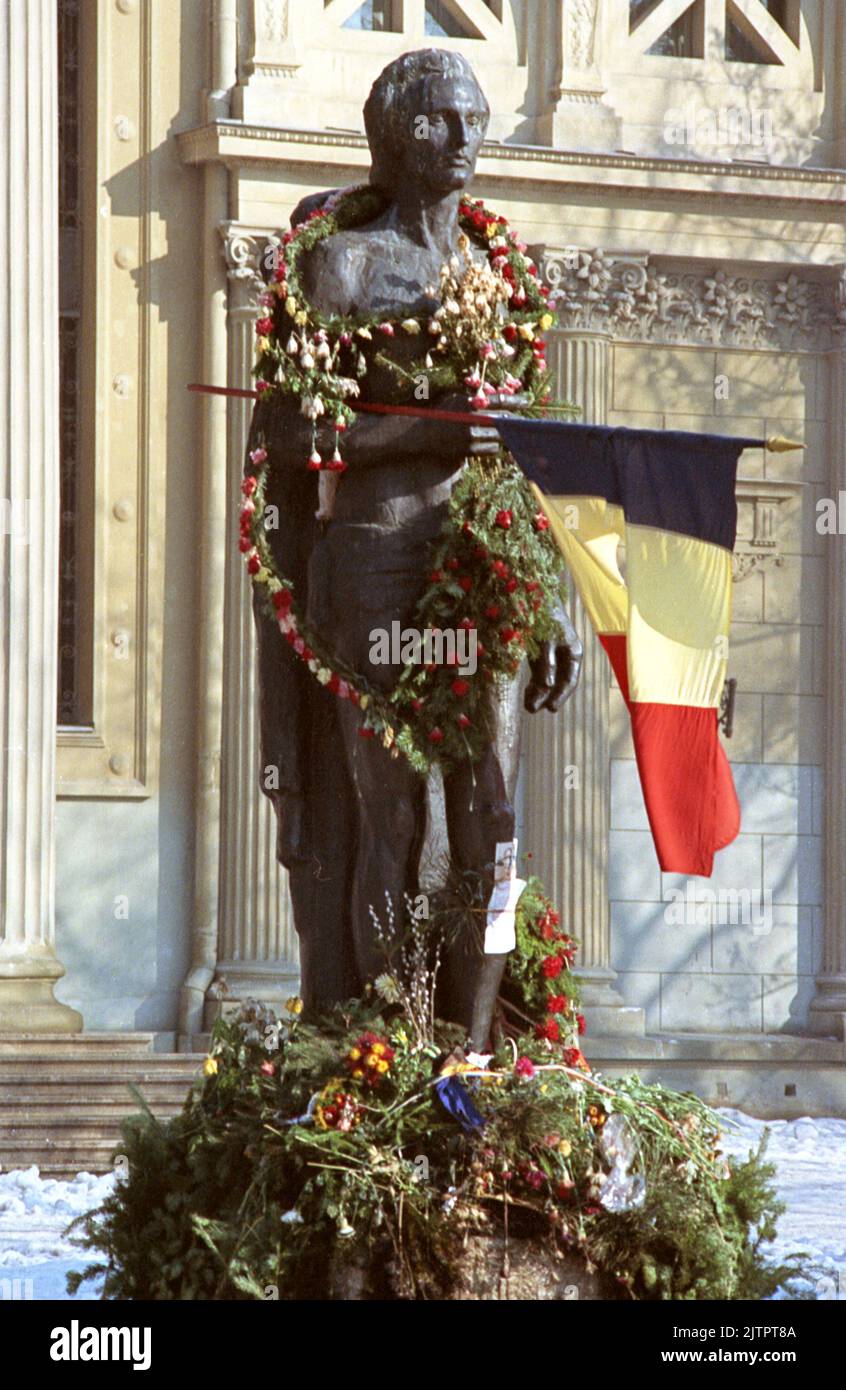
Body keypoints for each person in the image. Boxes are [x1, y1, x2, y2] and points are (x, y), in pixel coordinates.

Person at [247, 49, 582, 1048]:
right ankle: (386, 1049)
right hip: (376, 562)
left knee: (495, 822)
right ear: (397, 134)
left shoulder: (494, 274)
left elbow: (520, 453)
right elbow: (292, 436)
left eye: (473, 117)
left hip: (482, 565)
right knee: (393, 823)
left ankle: (471, 1062)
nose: (463, 136)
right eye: (439, 119)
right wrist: (429, 433)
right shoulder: (343, 263)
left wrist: (552, 589)